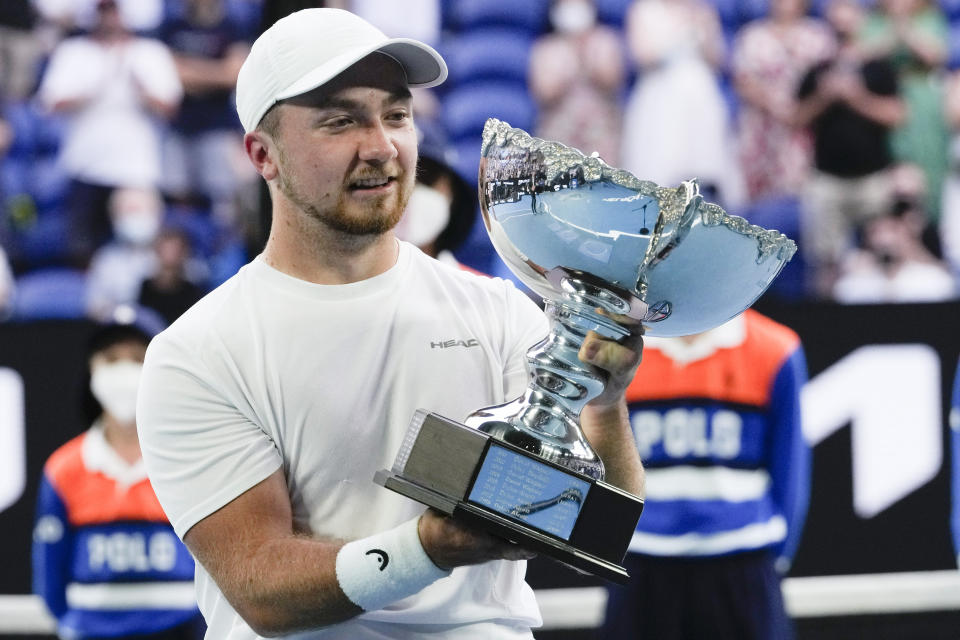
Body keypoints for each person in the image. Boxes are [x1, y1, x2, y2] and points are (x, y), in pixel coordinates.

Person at [135, 8, 645, 640]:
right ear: (263, 156)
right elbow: (262, 587)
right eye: (340, 120)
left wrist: (604, 404)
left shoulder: (502, 312)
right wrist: (429, 547)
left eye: (396, 115)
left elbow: (599, 527)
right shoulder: (198, 351)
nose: (381, 146)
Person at [600, 308, 809, 640]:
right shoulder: (617, 350)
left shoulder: (776, 349)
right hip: (641, 567)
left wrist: (773, 562)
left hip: (743, 568)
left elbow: (791, 473)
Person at [32, 318, 203, 640]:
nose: (124, 371)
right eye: (111, 359)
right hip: (91, 631)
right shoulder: (64, 468)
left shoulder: (188, 458)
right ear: (91, 370)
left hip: (182, 629)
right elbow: (49, 572)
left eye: (138, 358)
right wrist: (74, 623)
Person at [37, 0, 182, 264]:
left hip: (135, 169)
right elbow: (49, 103)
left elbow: (170, 106)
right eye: (104, 11)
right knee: (83, 248)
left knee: (139, 245)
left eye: (114, 11)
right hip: (84, 166)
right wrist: (89, 91)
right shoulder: (73, 51)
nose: (110, 18)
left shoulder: (151, 52)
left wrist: (143, 91)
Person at [794, 0, 906, 298]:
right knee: (825, 263)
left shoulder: (878, 68)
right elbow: (795, 118)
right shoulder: (818, 70)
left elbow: (897, 115)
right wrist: (824, 96)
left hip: (873, 179)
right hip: (827, 180)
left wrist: (857, 98)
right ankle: (825, 327)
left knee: (884, 258)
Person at [731, 0, 834, 202]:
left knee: (799, 199)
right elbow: (743, 81)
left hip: (804, 129)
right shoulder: (752, 35)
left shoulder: (819, 35)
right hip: (761, 128)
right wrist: (776, 107)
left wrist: (801, 113)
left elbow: (827, 84)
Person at [528, 0, 627, 165]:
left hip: (601, 135)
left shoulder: (605, 40)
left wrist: (587, 54)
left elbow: (613, 80)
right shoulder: (546, 47)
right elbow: (544, 92)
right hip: (560, 135)